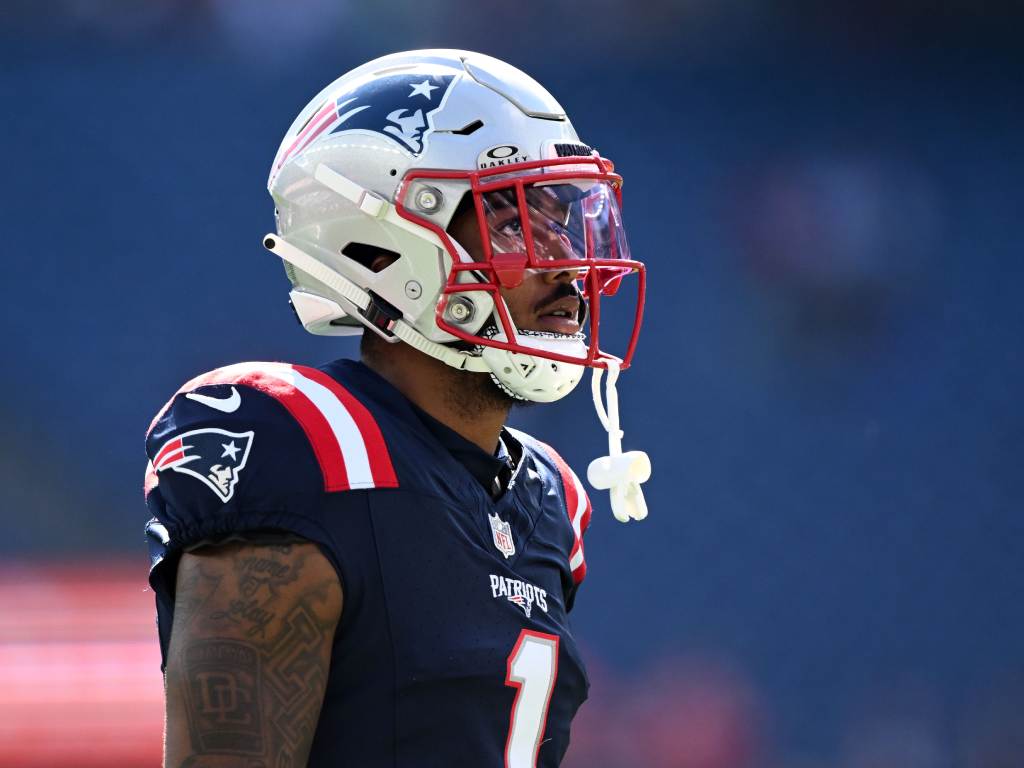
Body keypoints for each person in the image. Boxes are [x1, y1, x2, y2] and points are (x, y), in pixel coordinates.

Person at [144, 49, 651, 768]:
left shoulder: (547, 501)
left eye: (563, 221)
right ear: (386, 247)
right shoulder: (307, 446)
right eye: (514, 222)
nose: (566, 259)